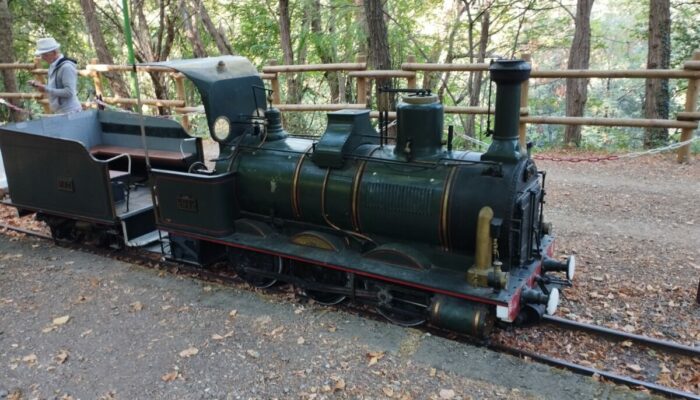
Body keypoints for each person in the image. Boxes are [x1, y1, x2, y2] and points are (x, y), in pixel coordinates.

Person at [28, 37, 82, 114]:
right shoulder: (53, 65)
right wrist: (40, 86)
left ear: (54, 52)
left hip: (70, 112)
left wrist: (46, 89)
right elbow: (55, 88)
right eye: (42, 55)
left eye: (45, 55)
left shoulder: (66, 67)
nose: (43, 58)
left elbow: (69, 92)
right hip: (60, 112)